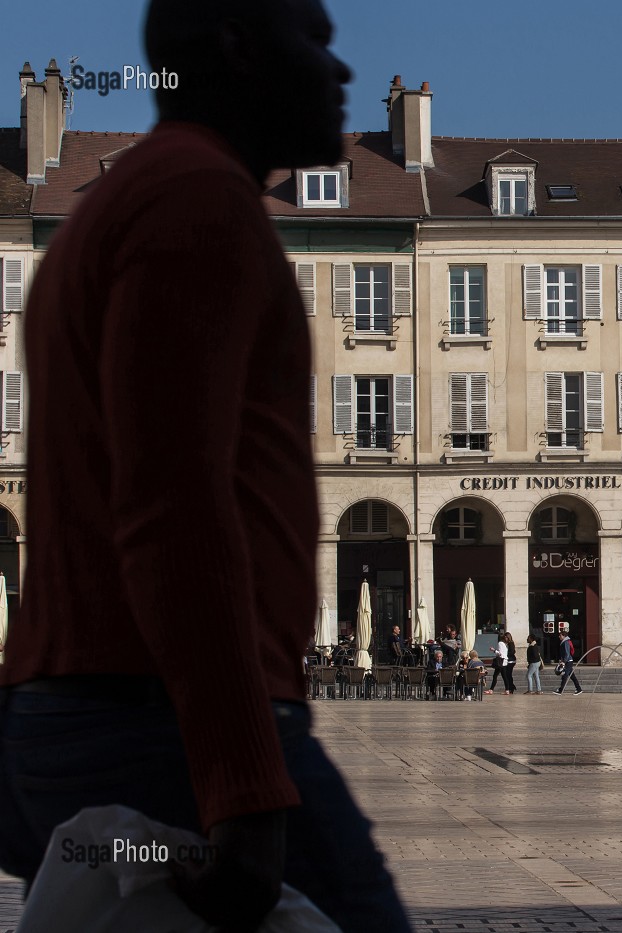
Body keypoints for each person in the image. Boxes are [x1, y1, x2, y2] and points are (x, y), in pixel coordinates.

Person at [0, 3, 410, 930]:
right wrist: (244, 787)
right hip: (160, 725)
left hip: (76, 716)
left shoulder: (119, 203)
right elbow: (174, 506)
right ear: (238, 44)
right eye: (313, 40)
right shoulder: (199, 199)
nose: (340, 74)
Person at [554, 624, 582, 695]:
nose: (559, 637)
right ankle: (579, 689)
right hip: (568, 661)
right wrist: (562, 660)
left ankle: (561, 690)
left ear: (564, 636)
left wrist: (564, 661)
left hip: (568, 661)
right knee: (572, 676)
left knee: (565, 675)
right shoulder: (564, 642)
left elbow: (567, 653)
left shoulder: (565, 642)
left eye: (560, 635)